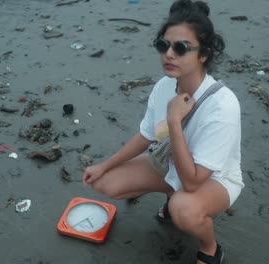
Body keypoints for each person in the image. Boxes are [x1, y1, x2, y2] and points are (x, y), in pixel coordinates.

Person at [82, 0, 244, 263]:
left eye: (181, 48)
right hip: (170, 162)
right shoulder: (164, 86)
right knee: (104, 183)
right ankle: (169, 192)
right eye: (163, 45)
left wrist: (174, 120)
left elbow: (193, 182)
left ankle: (210, 247)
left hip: (213, 179)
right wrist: (104, 165)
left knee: (184, 209)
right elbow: (149, 136)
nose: (169, 54)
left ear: (203, 54)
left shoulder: (223, 105)